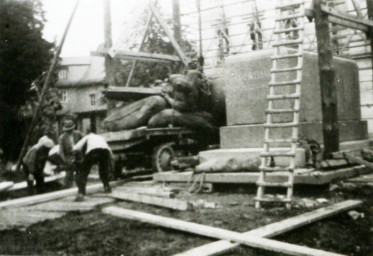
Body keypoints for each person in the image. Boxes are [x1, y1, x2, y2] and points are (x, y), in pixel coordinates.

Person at [73, 132, 112, 201]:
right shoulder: (100, 137)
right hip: (105, 152)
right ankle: (107, 187)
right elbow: (109, 149)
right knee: (103, 170)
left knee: (84, 171)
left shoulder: (87, 137)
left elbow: (76, 147)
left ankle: (81, 192)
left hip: (93, 151)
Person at [59, 119, 84, 188]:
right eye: (68, 130)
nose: (69, 131)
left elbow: (85, 140)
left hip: (78, 156)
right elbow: (61, 151)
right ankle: (66, 187)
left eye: (70, 129)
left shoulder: (78, 134)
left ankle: (80, 188)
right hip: (69, 157)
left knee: (80, 173)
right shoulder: (62, 138)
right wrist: (65, 161)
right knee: (69, 175)